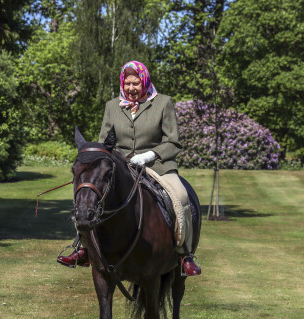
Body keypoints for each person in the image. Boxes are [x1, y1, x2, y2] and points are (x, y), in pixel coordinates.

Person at [58, 60, 201, 276]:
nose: (132, 88)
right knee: (88, 197)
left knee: (180, 196)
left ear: (144, 82)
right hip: (121, 166)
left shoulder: (163, 103)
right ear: (122, 84)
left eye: (136, 83)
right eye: (128, 84)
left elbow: (173, 141)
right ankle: (83, 248)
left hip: (157, 165)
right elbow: (105, 143)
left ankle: (184, 253)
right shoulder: (111, 106)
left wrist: (149, 155)